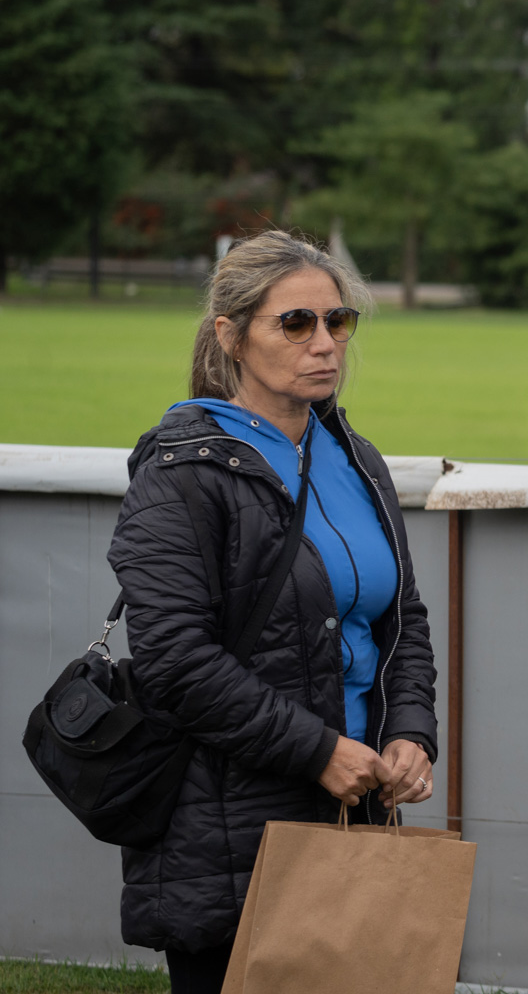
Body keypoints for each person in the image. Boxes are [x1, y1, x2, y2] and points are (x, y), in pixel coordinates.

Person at [106, 231, 439, 994]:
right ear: (230, 335)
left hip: (359, 802)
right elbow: (174, 662)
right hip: (230, 819)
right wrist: (318, 750)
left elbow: (402, 618)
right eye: (296, 324)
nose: (324, 343)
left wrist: (410, 731)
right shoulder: (180, 473)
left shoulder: (356, 458)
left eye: (338, 321)